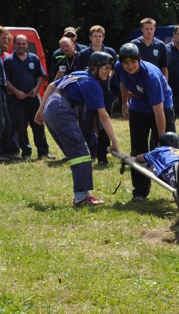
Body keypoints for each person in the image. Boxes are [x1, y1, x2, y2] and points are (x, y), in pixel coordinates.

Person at [34, 52, 120, 206]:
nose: (108, 72)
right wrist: (115, 143)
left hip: (52, 109)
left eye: (110, 69)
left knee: (78, 154)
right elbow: (104, 116)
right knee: (81, 153)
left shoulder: (79, 73)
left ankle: (84, 194)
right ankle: (81, 197)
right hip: (62, 110)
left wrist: (41, 111)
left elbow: (53, 86)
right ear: (95, 68)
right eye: (105, 68)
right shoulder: (93, 84)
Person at [115, 43, 175, 202]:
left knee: (167, 149)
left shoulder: (151, 76)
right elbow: (122, 82)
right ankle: (140, 191)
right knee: (137, 148)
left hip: (161, 108)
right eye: (126, 63)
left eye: (133, 62)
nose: (129, 66)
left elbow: (158, 111)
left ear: (139, 60)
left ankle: (177, 186)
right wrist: (124, 101)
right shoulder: (119, 67)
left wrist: (162, 139)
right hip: (138, 108)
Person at [4, 34, 55, 160]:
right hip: (17, 99)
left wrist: (37, 88)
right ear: (14, 45)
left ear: (27, 45)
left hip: (33, 98)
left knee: (38, 124)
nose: (21, 46)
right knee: (21, 127)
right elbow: (6, 81)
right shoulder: (8, 61)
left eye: (23, 44)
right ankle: (26, 153)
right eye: (18, 44)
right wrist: (16, 92)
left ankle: (43, 152)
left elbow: (41, 76)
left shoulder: (34, 58)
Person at [75, 25, 118, 165]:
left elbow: (116, 69)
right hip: (87, 94)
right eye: (95, 36)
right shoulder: (82, 54)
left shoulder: (110, 52)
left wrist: (108, 75)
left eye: (100, 36)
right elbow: (79, 74)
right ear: (90, 38)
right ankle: (87, 155)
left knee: (103, 125)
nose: (98, 39)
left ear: (103, 37)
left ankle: (102, 156)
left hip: (105, 92)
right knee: (86, 125)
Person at [0, 27, 20, 162]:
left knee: (6, 122)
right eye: (3, 39)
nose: (6, 42)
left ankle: (8, 151)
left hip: (3, 93)